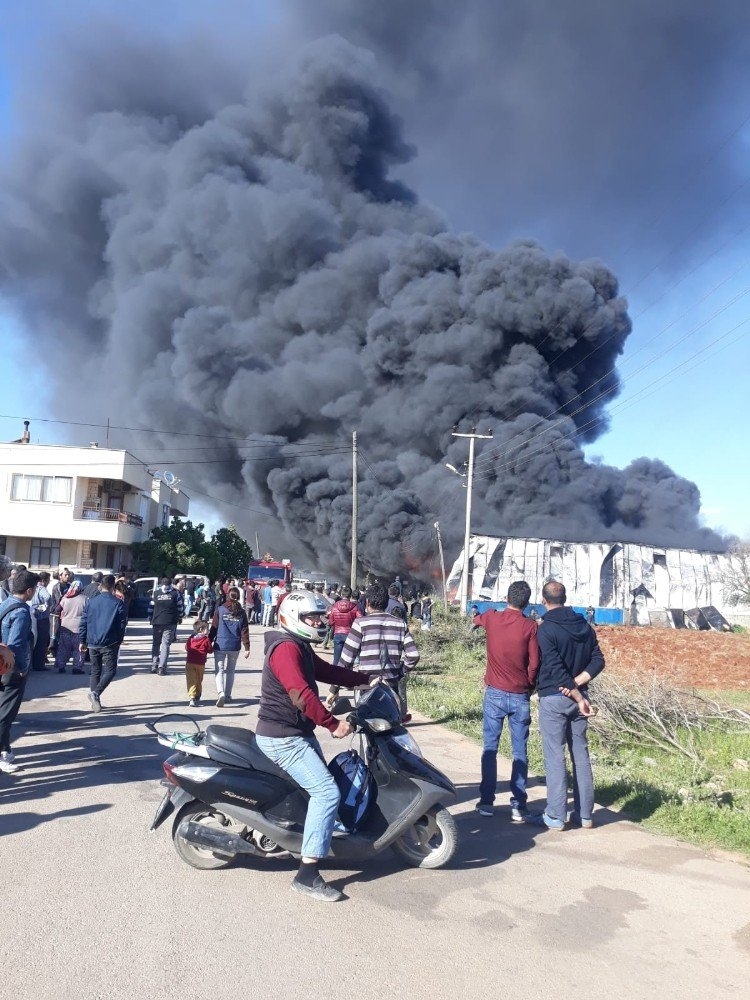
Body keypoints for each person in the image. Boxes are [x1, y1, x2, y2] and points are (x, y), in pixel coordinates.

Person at [255, 589, 373, 902]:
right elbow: (302, 696)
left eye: (320, 617)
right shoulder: (285, 650)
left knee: (321, 788)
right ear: (293, 618)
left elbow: (327, 672)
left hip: (295, 733)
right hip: (283, 738)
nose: (319, 622)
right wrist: (334, 724)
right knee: (327, 792)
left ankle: (311, 839)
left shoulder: (299, 647)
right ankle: (306, 875)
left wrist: (365, 680)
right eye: (312, 617)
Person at [530, 580, 603, 830]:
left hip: (556, 698)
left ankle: (556, 815)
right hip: (579, 699)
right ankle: (585, 815)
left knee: (555, 756)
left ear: (543, 601)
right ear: (565, 598)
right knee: (580, 754)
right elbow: (598, 660)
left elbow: (555, 666)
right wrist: (581, 685)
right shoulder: (584, 625)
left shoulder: (546, 629)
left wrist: (575, 692)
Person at [472, 581, 540, 822]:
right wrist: (529, 684)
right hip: (520, 695)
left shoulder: (492, 618)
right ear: (528, 602)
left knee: (490, 748)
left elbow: (476, 620)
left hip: (495, 694)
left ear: (506, 597)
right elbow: (534, 663)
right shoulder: (531, 627)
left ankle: (487, 802)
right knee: (519, 750)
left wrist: (478, 620)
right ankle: (518, 805)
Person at [338, 582, 420, 722]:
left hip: (366, 685)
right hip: (391, 685)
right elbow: (413, 655)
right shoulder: (400, 624)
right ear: (386, 602)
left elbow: (346, 660)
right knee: (392, 725)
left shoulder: (360, 623)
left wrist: (335, 688)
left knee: (366, 727)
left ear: (368, 602)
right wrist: (400, 671)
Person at [0, 569, 39, 773]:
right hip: (11, 670)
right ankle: (2, 756)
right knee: (5, 715)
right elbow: (14, 647)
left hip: (1, 667)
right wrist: (22, 669)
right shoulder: (22, 611)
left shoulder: (4, 604)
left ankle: (6, 749)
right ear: (30, 591)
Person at [79, 574, 127, 712]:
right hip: (109, 642)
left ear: (101, 585)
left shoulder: (91, 602)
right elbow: (122, 624)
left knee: (95, 671)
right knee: (110, 671)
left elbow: (83, 622)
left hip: (93, 641)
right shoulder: (118, 603)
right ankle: (96, 694)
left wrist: (82, 640)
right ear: (113, 586)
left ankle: (95, 700)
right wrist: (120, 639)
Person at [209, 586, 250, 707]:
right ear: (238, 597)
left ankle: (220, 692)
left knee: (219, 670)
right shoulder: (241, 612)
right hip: (234, 645)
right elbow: (244, 630)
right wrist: (247, 648)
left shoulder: (220, 609)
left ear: (227, 595)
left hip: (220, 644)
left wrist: (208, 642)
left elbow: (214, 628)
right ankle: (227, 695)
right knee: (231, 671)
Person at [150, 577, 184, 675]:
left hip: (157, 621)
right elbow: (180, 607)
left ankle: (154, 665)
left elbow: (151, 607)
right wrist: (180, 617)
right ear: (170, 584)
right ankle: (162, 668)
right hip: (170, 622)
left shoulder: (156, 593)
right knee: (165, 645)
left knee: (156, 644)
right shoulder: (175, 593)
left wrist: (150, 618)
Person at [54, 580, 87, 674]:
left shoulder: (65, 598)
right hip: (79, 628)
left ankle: (61, 666)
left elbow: (57, 609)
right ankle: (77, 668)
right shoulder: (85, 599)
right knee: (79, 648)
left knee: (63, 647)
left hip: (65, 626)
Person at [327, 586, 362, 666]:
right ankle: (347, 676)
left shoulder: (334, 606)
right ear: (350, 595)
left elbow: (331, 621)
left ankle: (335, 676)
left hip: (338, 634)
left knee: (336, 659)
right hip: (350, 635)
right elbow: (360, 620)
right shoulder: (355, 607)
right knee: (349, 660)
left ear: (341, 594)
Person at [185, 619, 213, 707]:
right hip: (200, 663)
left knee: (191, 680)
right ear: (201, 629)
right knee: (199, 679)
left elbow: (187, 647)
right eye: (207, 629)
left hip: (190, 662)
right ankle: (197, 694)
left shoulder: (191, 638)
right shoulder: (206, 640)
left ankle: (192, 697)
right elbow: (210, 650)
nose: (208, 631)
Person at [30, 571, 53, 671]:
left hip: (32, 617)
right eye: (48, 580)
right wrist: (47, 605)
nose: (48, 582)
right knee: (41, 642)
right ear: (43, 580)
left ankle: (33, 663)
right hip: (42, 618)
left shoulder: (33, 587)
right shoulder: (42, 588)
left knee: (33, 641)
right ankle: (39, 665)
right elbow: (48, 597)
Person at [49, 568, 72, 653]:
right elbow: (60, 600)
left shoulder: (69, 586)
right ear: (60, 576)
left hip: (66, 613)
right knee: (55, 632)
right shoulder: (57, 587)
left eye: (68, 574)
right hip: (56, 613)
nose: (67, 576)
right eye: (65, 575)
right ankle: (52, 649)